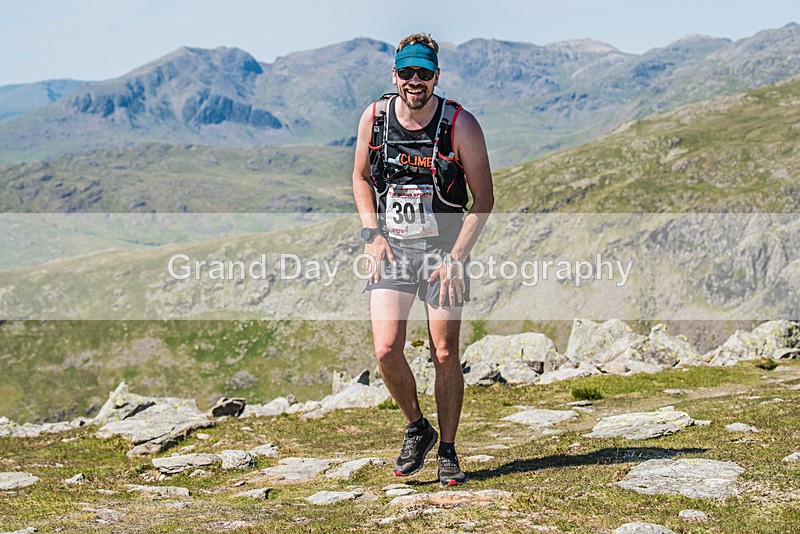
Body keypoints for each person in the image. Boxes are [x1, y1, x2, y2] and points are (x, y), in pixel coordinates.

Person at [352, 33, 494, 486]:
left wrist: (455, 258)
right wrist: (372, 234)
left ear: (436, 76)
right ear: (395, 75)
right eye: (407, 73)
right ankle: (417, 426)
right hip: (393, 248)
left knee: (444, 350)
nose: (415, 81)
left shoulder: (461, 125)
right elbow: (359, 177)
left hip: (443, 253)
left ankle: (448, 450)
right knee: (386, 348)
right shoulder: (374, 118)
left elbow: (485, 199)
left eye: (424, 74)